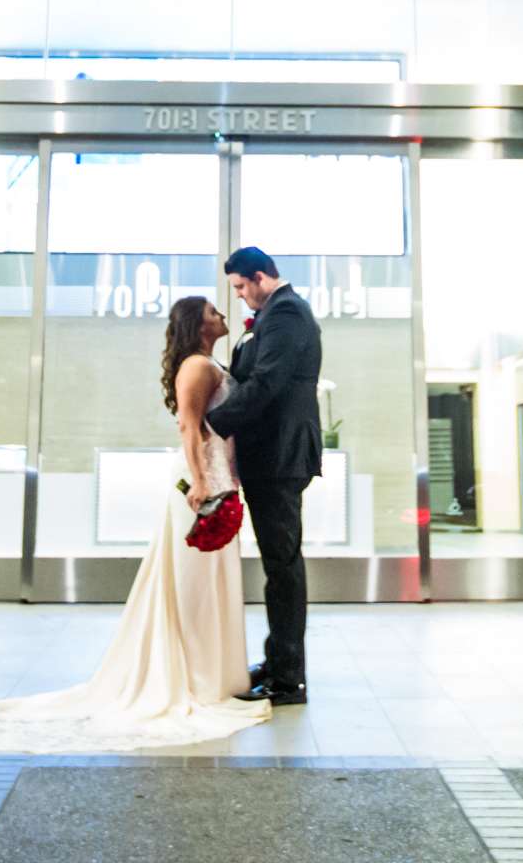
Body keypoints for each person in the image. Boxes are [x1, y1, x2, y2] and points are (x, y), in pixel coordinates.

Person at [0, 296, 269, 753]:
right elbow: (189, 428)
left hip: (218, 479)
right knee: (194, 586)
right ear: (196, 324)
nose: (221, 315)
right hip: (200, 486)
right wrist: (203, 482)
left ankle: (209, 675)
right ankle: (193, 677)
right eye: (211, 311)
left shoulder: (208, 363)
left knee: (210, 583)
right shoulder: (197, 367)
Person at [204, 245, 322, 707]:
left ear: (258, 277)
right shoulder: (276, 314)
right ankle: (278, 664)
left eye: (239, 287)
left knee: (283, 566)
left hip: (279, 456)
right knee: (279, 566)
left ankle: (288, 679)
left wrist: (212, 426)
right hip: (269, 456)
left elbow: (268, 382)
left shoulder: (287, 312)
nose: (239, 298)